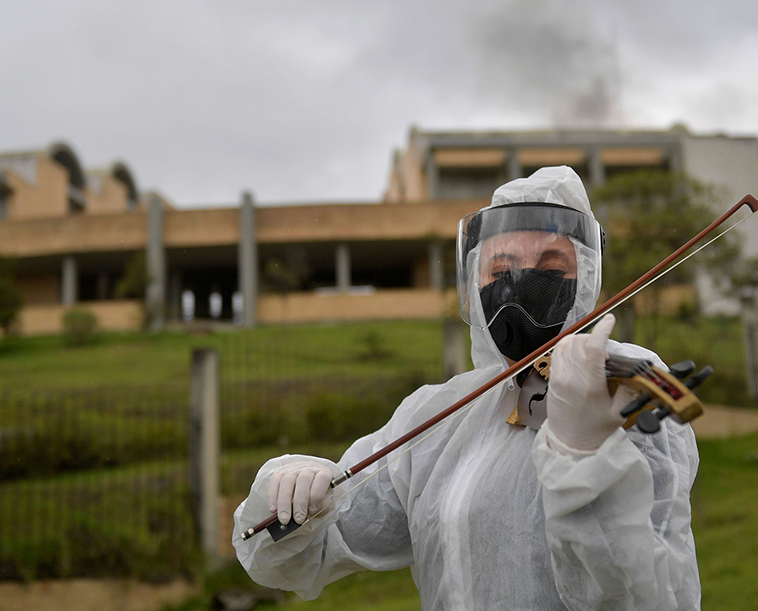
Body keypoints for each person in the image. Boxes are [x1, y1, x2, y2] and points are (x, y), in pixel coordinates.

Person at [232, 166, 700, 610]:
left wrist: (587, 455)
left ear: (586, 280)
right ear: (475, 285)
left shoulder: (622, 384)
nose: (520, 282)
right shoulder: (441, 414)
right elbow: (307, 555)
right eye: (500, 271)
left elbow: (646, 595)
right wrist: (292, 490)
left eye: (552, 269)